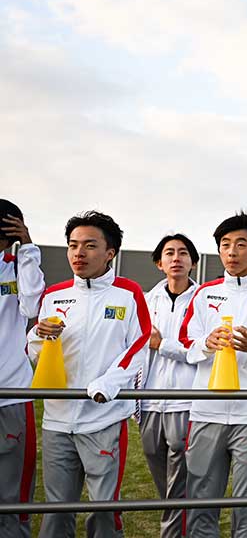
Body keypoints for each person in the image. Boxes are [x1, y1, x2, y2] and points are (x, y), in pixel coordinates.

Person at [29, 211, 151, 538]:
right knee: (56, 509)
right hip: (57, 420)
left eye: (89, 245)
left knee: (103, 510)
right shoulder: (54, 295)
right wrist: (39, 335)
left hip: (104, 418)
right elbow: (34, 350)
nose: (78, 253)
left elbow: (139, 344)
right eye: (73, 245)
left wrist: (107, 385)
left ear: (110, 252)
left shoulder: (128, 293)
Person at [179, 210, 247, 537]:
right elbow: (185, 341)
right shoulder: (203, 293)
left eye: (240, 244)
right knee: (201, 498)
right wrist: (205, 343)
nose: (231, 252)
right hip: (206, 410)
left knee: (246, 501)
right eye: (225, 245)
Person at [140, 233, 200, 538]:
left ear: (193, 262)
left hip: (185, 401)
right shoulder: (146, 301)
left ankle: (173, 533)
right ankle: (184, 527)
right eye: (169, 253)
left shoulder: (204, 300)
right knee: (165, 485)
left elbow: (200, 350)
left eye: (183, 252)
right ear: (159, 263)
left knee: (179, 484)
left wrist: (162, 344)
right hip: (149, 403)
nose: (176, 258)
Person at [0, 201, 44, 537]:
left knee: (11, 490)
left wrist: (27, 247)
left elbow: (31, 306)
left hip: (11, 393)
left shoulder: (18, 268)